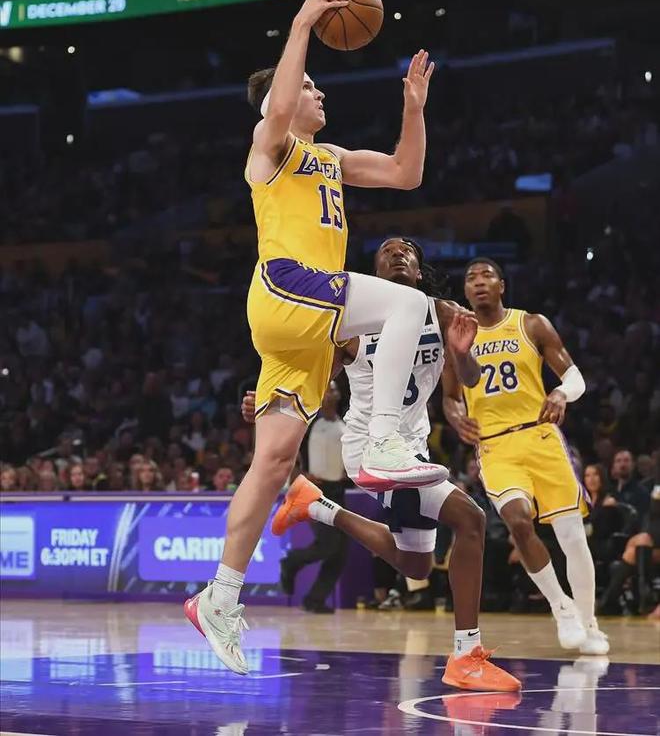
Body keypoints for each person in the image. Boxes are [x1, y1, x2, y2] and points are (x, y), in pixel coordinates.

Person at [184, 0, 444, 673]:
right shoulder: (267, 148)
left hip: (304, 327)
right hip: (286, 287)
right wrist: (301, 23)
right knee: (409, 305)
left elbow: (406, 173)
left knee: (272, 463)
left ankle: (219, 597)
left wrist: (413, 109)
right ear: (281, 98)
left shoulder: (330, 159)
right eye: (308, 87)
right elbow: (277, 106)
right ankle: (384, 440)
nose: (320, 93)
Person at [243, 238, 520, 692]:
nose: (397, 254)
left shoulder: (443, 313)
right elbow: (313, 382)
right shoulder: (353, 322)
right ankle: (466, 656)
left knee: (416, 567)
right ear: (374, 274)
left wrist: (462, 352)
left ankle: (315, 506)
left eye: (406, 250)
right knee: (470, 519)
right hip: (369, 449)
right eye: (386, 252)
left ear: (419, 269)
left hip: (412, 452)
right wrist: (268, 400)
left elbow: (469, 379)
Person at [442, 258, 608, 655]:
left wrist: (560, 393)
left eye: (486, 276)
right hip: (496, 446)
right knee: (518, 521)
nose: (479, 282)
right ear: (465, 292)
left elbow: (574, 376)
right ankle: (561, 607)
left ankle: (590, 623)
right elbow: (450, 397)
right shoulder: (458, 337)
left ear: (501, 285)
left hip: (541, 437)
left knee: (572, 537)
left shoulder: (531, 324)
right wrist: (457, 418)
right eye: (471, 278)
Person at [279, 381, 348, 614]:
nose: (331, 392)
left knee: (340, 553)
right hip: (315, 490)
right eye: (327, 388)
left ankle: (314, 599)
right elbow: (290, 452)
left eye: (334, 389)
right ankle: (291, 562)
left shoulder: (344, 424)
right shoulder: (308, 423)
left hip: (338, 489)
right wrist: (298, 477)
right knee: (327, 544)